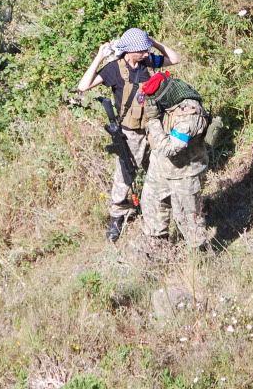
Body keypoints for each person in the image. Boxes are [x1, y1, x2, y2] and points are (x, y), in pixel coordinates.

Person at [76, 28, 181, 241]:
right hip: (130, 132)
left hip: (154, 128)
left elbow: (175, 59)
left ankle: (161, 208)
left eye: (146, 50)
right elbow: (83, 86)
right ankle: (117, 215)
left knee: (162, 168)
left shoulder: (147, 61)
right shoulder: (113, 69)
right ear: (130, 51)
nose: (145, 53)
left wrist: (153, 42)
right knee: (125, 175)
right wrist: (99, 57)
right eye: (142, 50)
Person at [138, 71, 213, 256]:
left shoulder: (190, 115)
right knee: (151, 204)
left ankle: (200, 258)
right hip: (160, 167)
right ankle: (158, 249)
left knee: (188, 218)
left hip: (184, 172)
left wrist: (154, 120)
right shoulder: (169, 102)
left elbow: (170, 148)